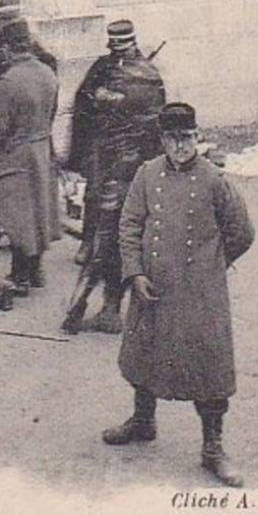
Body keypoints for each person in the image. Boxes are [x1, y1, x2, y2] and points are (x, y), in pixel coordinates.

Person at [105, 102, 255, 487]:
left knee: (208, 366)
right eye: (172, 139)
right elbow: (130, 224)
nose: (180, 146)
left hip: (200, 293)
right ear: (162, 141)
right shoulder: (147, 174)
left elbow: (242, 231)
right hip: (152, 286)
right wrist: (135, 272)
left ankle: (213, 448)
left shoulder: (214, 180)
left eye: (187, 138)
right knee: (143, 354)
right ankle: (142, 422)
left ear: (197, 137)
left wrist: (211, 266)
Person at [65, 18, 167, 332]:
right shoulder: (150, 76)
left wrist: (77, 159)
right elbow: (157, 130)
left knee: (106, 237)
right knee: (123, 238)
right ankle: (109, 307)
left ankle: (90, 305)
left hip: (110, 170)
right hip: (133, 173)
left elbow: (82, 114)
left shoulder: (105, 73)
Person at [0, 7, 59, 252]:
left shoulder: (34, 58)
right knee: (1, 183)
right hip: (6, 127)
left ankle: (24, 242)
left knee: (17, 183)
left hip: (20, 130)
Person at [0, 19, 61, 294]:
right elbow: (51, 115)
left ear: (9, 48)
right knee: (39, 211)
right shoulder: (48, 74)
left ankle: (20, 274)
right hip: (41, 148)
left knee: (17, 213)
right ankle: (36, 269)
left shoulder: (8, 81)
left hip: (16, 153)